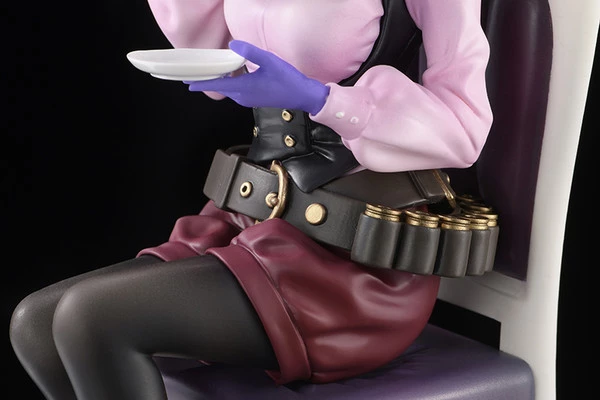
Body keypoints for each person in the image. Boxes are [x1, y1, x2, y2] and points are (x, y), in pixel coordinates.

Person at [9, 0, 493, 399]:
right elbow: (211, 47)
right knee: (36, 323)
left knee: (92, 319)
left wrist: (322, 100)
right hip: (254, 225)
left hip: (355, 262)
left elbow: (465, 126)